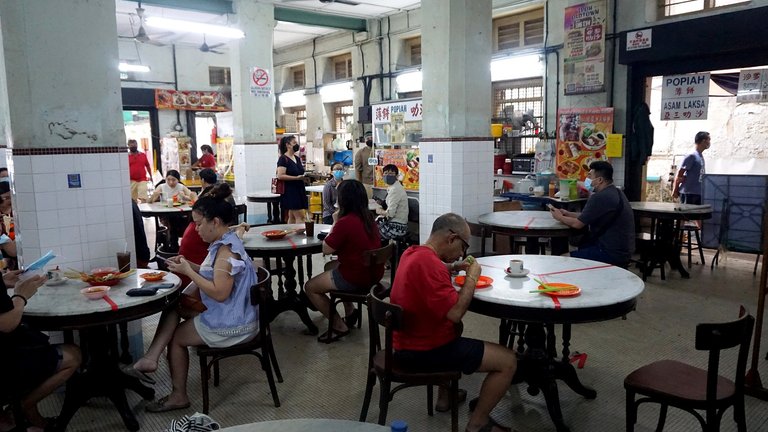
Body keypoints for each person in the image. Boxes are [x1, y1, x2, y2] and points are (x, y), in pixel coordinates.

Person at [124, 183, 260, 413]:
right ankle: (152, 357)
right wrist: (189, 267)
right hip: (235, 312)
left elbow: (220, 292)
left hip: (235, 323)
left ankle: (178, 395)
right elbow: (216, 274)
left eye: (199, 224)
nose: (196, 230)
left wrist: (188, 272)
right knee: (174, 305)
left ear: (214, 222)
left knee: (176, 338)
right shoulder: (224, 243)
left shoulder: (227, 251)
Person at [390, 213, 517, 432]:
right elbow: (456, 313)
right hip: (422, 352)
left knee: (455, 329)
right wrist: (472, 277)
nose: (462, 253)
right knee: (508, 361)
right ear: (452, 238)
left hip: (404, 342)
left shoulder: (412, 253)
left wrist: (452, 268)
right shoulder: (431, 266)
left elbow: (432, 274)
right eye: (463, 246)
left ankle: (445, 397)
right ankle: (478, 424)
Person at [0, 272, 81, 430]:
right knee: (74, 355)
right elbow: (6, 323)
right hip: (5, 363)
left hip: (9, 349)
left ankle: (29, 417)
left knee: (34, 340)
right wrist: (21, 296)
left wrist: (2, 282)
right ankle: (17, 410)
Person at [305, 180, 383, 343]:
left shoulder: (345, 222)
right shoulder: (368, 218)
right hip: (373, 274)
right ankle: (350, 311)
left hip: (355, 277)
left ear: (343, 200)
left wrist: (335, 221)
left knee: (310, 287)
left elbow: (326, 249)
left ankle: (338, 325)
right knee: (330, 266)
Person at [549, 161, 635, 266]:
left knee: (562, 259)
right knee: (582, 246)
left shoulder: (600, 197)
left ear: (599, 180)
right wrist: (567, 213)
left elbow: (578, 224)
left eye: (590, 175)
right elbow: (587, 217)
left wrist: (559, 217)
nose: (587, 179)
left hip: (611, 252)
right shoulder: (616, 192)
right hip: (623, 250)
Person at [276, 135, 308, 224]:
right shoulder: (283, 159)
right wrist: (296, 178)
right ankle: (299, 235)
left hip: (299, 188)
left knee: (292, 216)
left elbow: (299, 171)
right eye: (294, 143)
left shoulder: (297, 158)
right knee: (301, 216)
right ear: (288, 145)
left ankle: (291, 235)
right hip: (290, 190)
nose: (296, 145)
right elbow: (280, 175)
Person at [672, 131, 710, 205]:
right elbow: (680, 173)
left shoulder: (700, 156)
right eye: (709, 140)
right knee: (687, 216)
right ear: (703, 141)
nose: (709, 142)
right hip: (688, 193)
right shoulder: (691, 156)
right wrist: (675, 190)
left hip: (698, 193)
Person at [376, 164, 409, 242]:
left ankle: (380, 252)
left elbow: (390, 214)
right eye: (386, 173)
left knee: (369, 232)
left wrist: (379, 211)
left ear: (397, 176)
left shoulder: (395, 189)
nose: (388, 175)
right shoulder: (393, 187)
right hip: (397, 224)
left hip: (396, 228)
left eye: (391, 174)